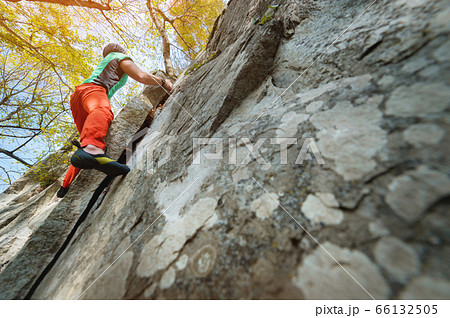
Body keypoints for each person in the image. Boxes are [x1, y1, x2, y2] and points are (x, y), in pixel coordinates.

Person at [57, 43, 173, 198]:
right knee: (103, 112)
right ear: (121, 51)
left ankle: (65, 186)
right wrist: (164, 82)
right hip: (93, 91)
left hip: (79, 98)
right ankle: (92, 150)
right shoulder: (119, 57)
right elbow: (141, 76)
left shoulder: (106, 62)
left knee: (87, 138)